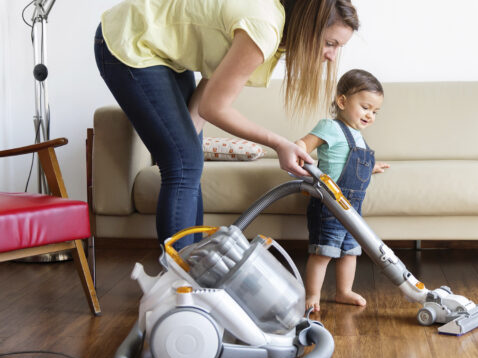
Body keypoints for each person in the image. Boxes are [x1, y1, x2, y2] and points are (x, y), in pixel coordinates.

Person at [94, 0, 359, 249]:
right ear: (308, 28)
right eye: (330, 43)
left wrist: (186, 139)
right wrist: (279, 143)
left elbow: (210, 90)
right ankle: (180, 284)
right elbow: (214, 108)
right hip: (131, 40)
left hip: (164, 53)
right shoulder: (264, 27)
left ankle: (193, 272)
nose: (332, 56)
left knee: (189, 160)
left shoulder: (272, 28)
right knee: (183, 164)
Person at [295, 69, 389, 312]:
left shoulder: (358, 136)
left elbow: (353, 162)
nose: (370, 115)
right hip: (329, 203)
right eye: (366, 107)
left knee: (350, 251)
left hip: (352, 206)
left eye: (375, 111)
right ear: (342, 101)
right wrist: (298, 149)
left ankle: (343, 291)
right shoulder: (330, 127)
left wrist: (372, 167)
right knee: (323, 251)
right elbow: (305, 143)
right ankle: (312, 294)